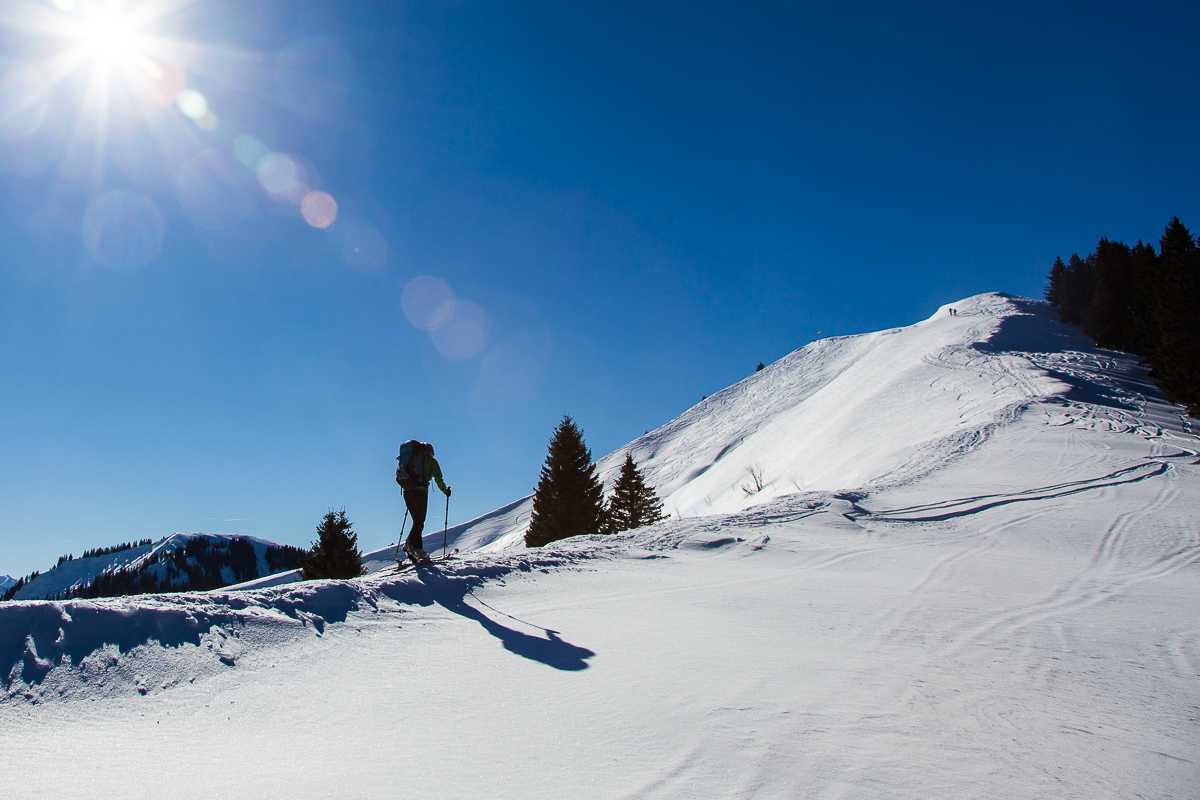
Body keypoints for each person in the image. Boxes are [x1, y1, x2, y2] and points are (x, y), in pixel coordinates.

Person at [396, 441, 451, 563]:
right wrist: (445, 491)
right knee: (419, 522)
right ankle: (409, 544)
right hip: (420, 492)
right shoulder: (431, 461)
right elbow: (438, 479)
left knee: (417, 522)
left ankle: (418, 550)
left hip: (407, 492)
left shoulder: (410, 460)